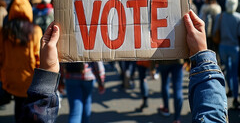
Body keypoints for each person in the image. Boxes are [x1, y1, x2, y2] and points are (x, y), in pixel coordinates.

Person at [21, 9, 228, 123]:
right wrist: (203, 56)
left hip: (73, 77)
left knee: (77, 108)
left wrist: (48, 74)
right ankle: (172, 114)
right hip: (171, 60)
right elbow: (213, 116)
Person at [0, 0, 42, 122]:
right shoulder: (35, 31)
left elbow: (1, 56)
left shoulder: (4, 32)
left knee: (18, 109)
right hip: (30, 79)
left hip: (11, 80)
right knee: (30, 114)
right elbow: (39, 57)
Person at [213, 0, 240, 108]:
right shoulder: (238, 17)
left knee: (226, 70)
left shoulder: (220, 16)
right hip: (234, 47)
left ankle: (229, 89)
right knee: (234, 72)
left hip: (223, 46)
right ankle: (235, 96)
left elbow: (214, 31)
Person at [158, 59, 183, 123]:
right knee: (178, 88)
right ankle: (177, 118)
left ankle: (166, 108)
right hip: (178, 59)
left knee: (165, 84)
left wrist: (152, 67)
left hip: (163, 60)